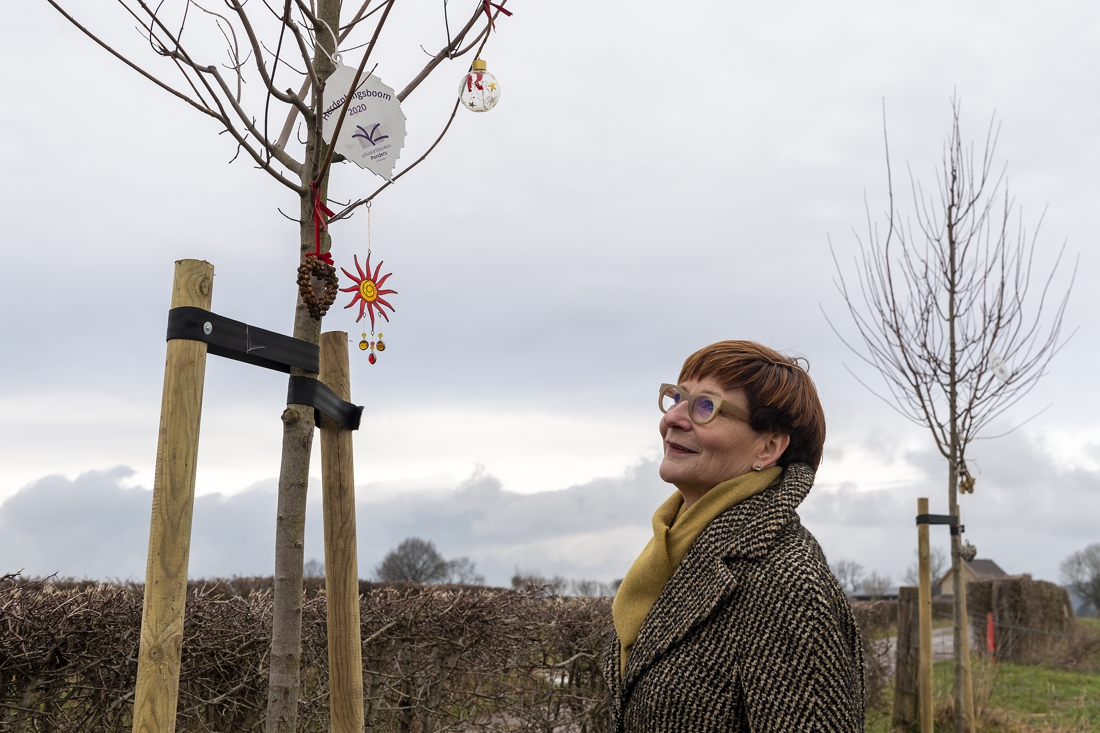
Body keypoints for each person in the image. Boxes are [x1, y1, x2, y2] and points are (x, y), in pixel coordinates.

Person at [601, 340, 864, 732]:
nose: (673, 417)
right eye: (677, 397)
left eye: (705, 406)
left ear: (768, 447)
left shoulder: (785, 580)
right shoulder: (673, 553)